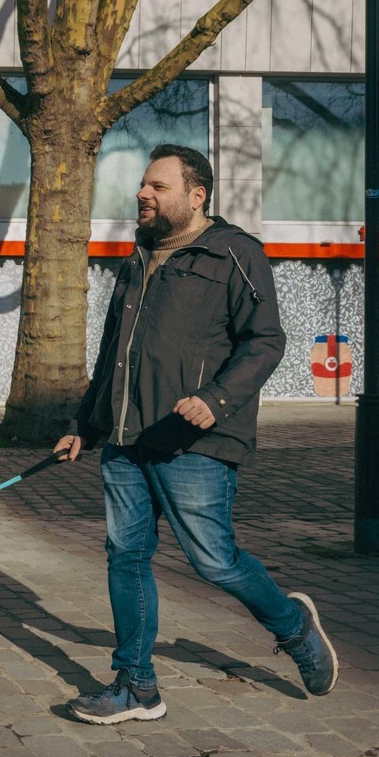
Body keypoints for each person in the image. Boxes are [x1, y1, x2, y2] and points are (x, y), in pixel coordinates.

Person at [53, 144, 337, 725]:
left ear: (197, 193)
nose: (143, 195)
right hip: (127, 442)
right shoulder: (138, 260)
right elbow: (115, 355)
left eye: (158, 186)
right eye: (143, 186)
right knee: (126, 556)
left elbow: (265, 341)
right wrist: (84, 425)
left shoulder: (235, 253)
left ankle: (294, 627)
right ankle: (136, 686)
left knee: (214, 562)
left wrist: (217, 400)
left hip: (194, 441)